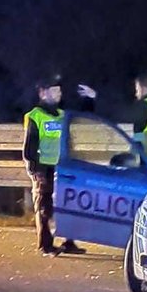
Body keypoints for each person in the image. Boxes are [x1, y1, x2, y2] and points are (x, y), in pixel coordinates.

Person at [22, 75, 96, 256]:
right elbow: (29, 147)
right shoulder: (35, 115)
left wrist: (90, 99)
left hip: (63, 168)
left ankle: (69, 242)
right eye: (54, 90)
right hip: (44, 168)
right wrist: (34, 170)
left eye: (59, 90)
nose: (59, 93)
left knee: (67, 205)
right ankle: (45, 246)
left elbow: (85, 119)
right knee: (44, 208)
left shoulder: (63, 115)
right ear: (42, 93)